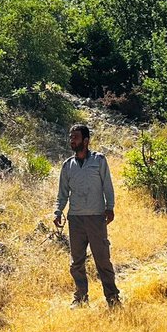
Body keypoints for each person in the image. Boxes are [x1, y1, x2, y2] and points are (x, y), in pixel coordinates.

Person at [54, 124, 121, 307]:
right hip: (75, 219)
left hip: (96, 217)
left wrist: (110, 207)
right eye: (70, 137)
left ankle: (113, 298)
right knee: (77, 262)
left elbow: (107, 185)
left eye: (75, 137)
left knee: (102, 260)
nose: (72, 141)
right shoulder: (68, 165)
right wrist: (58, 211)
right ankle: (80, 298)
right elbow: (62, 192)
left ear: (86, 140)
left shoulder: (99, 160)